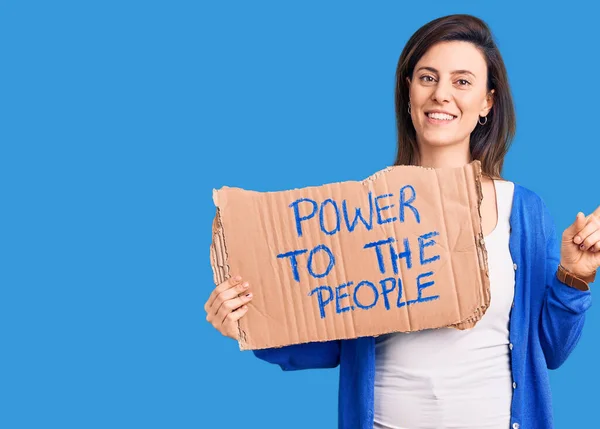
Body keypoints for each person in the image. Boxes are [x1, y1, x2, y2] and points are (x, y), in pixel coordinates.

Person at [204, 13, 599, 429]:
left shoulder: (525, 211)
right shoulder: (363, 212)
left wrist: (574, 278)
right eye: (427, 78)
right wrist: (250, 324)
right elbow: (330, 344)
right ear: (408, 92)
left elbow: (551, 351)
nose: (441, 94)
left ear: (487, 101)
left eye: (462, 81)